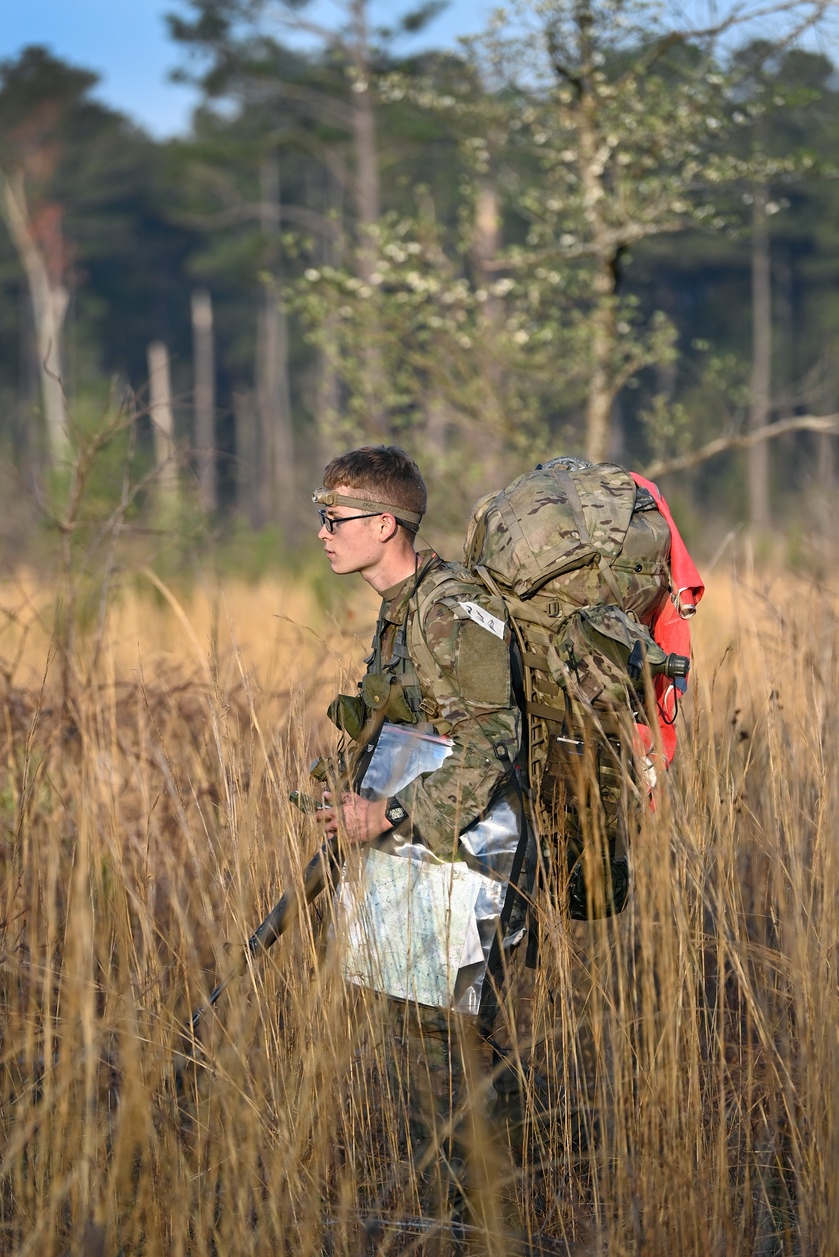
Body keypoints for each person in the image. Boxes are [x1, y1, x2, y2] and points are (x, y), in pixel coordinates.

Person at [312, 445, 526, 1246]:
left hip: (465, 858)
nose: (324, 532)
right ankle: (446, 1210)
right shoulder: (399, 607)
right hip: (423, 857)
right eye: (322, 517)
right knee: (417, 1037)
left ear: (383, 524)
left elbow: (491, 748)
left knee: (451, 1041)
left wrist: (389, 817)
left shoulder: (449, 607)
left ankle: (485, 1218)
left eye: (335, 518)